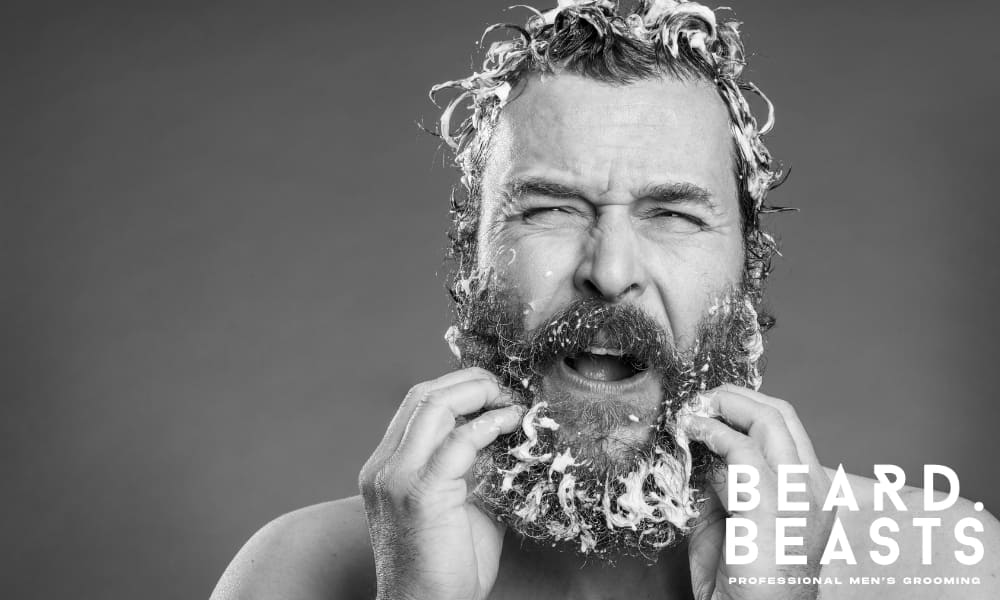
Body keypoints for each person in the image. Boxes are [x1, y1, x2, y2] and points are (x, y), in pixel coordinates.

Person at [210, 1, 999, 598]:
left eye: (674, 214)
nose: (611, 269)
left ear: (748, 267)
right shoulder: (290, 574)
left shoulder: (943, 566)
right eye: (550, 208)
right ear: (470, 254)